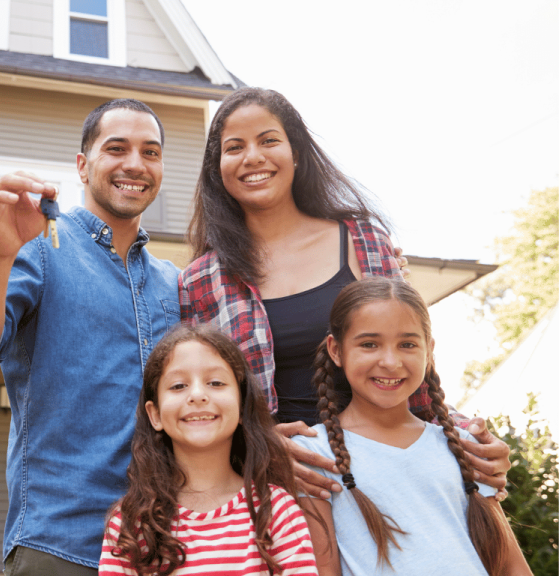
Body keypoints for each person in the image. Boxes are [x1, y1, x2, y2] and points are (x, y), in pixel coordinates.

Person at [179, 87, 511, 499]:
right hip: (281, 488)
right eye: (234, 147)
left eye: (268, 140)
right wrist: (257, 448)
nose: (253, 157)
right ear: (218, 167)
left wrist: (470, 439)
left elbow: (413, 368)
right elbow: (201, 401)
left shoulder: (365, 240)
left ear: (296, 152)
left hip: (386, 470)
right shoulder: (200, 281)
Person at [0, 99, 179, 575]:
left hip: (164, 544)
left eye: (150, 152)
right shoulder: (41, 247)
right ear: (83, 166)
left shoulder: (173, 281)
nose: (135, 163)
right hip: (61, 546)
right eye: (117, 148)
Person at [292, 277, 530, 576]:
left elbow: (511, 565)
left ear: (429, 351)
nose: (390, 361)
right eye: (369, 344)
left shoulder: (463, 445)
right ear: (336, 350)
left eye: (407, 344)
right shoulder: (313, 455)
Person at [100, 324, 318, 575]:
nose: (197, 395)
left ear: (242, 405)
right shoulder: (130, 522)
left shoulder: (277, 510)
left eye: (215, 382)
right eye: (178, 386)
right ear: (155, 414)